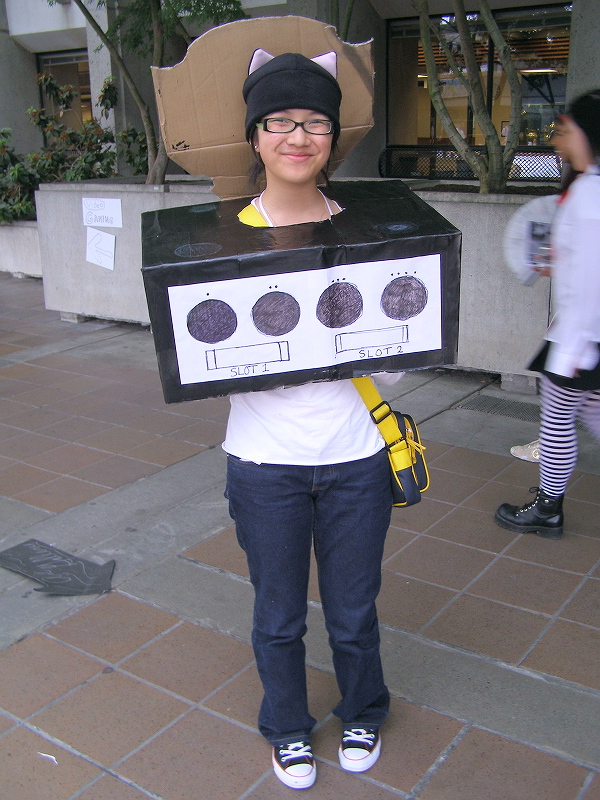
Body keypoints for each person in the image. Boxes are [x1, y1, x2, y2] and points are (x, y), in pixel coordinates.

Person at [223, 50, 400, 790]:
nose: (299, 136)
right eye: (281, 121)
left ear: (333, 137)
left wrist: (376, 346)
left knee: (354, 610)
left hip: (357, 454)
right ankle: (288, 727)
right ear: (256, 135)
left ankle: (363, 709)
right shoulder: (220, 238)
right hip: (265, 463)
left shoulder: (370, 230)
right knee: (278, 614)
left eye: (316, 123)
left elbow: (401, 355)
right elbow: (200, 358)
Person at [495, 92, 600, 539]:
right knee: (591, 413)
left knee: (557, 423)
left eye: (565, 130)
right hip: (585, 336)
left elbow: (592, 282)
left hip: (581, 337)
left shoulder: (589, 194)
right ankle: (547, 507)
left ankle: (547, 509)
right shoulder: (589, 188)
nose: (557, 140)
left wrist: (575, 348)